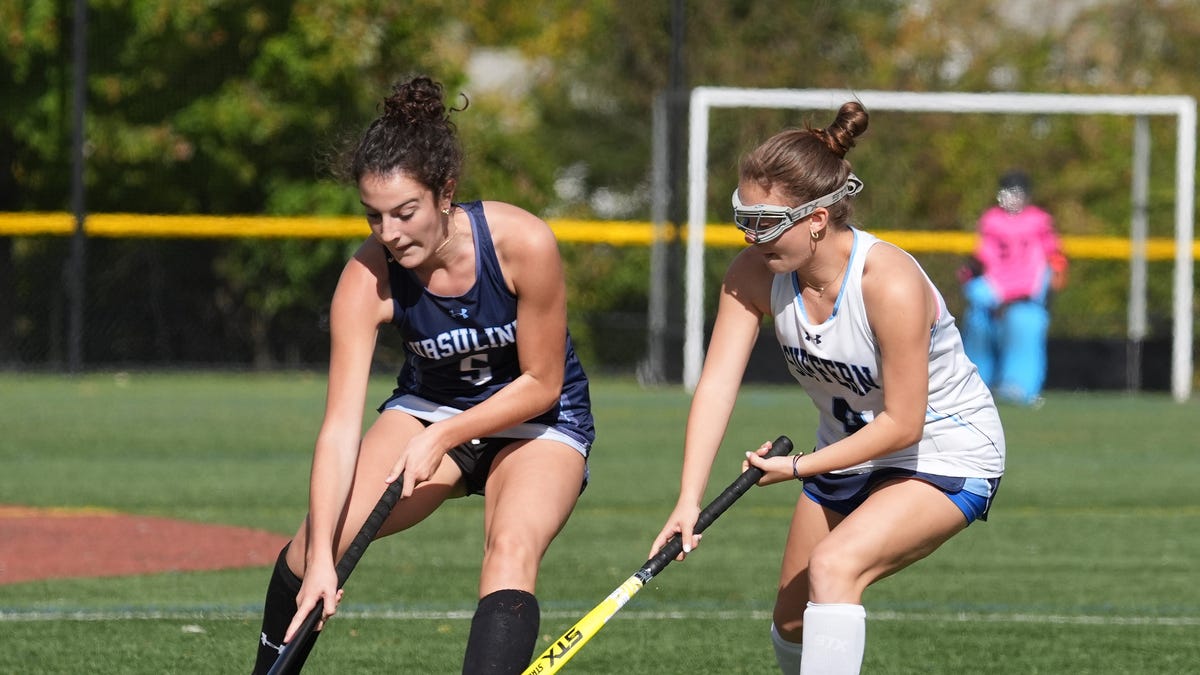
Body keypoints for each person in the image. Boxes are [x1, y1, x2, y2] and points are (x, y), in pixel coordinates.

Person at [250, 76, 595, 675]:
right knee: (313, 546)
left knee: (510, 550)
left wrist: (443, 437)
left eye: (405, 213)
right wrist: (326, 561)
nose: (390, 234)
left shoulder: (522, 243)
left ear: (445, 193)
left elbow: (541, 382)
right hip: (429, 405)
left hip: (538, 420)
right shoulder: (365, 280)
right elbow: (338, 430)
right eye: (373, 217)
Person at [650, 102, 1006, 675]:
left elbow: (903, 424)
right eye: (744, 217)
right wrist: (687, 501)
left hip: (942, 453)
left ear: (817, 219)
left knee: (835, 567)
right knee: (792, 622)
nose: (750, 235)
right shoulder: (753, 273)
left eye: (767, 223)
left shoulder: (887, 283)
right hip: (845, 454)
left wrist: (796, 469)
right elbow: (717, 385)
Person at [958, 170, 1068, 406]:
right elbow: (981, 258)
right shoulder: (991, 219)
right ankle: (974, 387)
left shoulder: (1039, 220)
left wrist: (1054, 280)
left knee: (1024, 329)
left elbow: (1053, 257)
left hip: (1025, 299)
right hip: (992, 295)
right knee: (977, 329)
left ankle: (1019, 388)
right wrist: (972, 278)